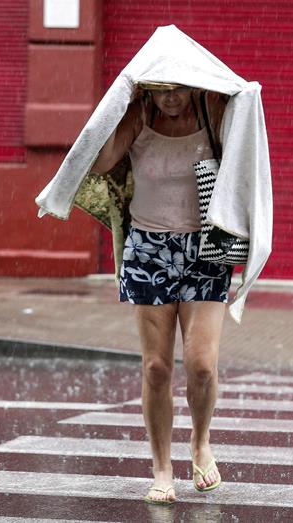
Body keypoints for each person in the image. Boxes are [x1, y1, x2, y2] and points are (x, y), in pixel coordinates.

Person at [90, 83, 230, 505]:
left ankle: (200, 442)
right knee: (156, 367)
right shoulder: (139, 116)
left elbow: (245, 160)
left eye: (177, 90)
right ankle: (162, 468)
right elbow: (100, 163)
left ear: (191, 85)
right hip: (148, 249)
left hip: (207, 247)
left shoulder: (210, 111)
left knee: (201, 364)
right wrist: (121, 103)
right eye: (160, 90)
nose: (169, 98)